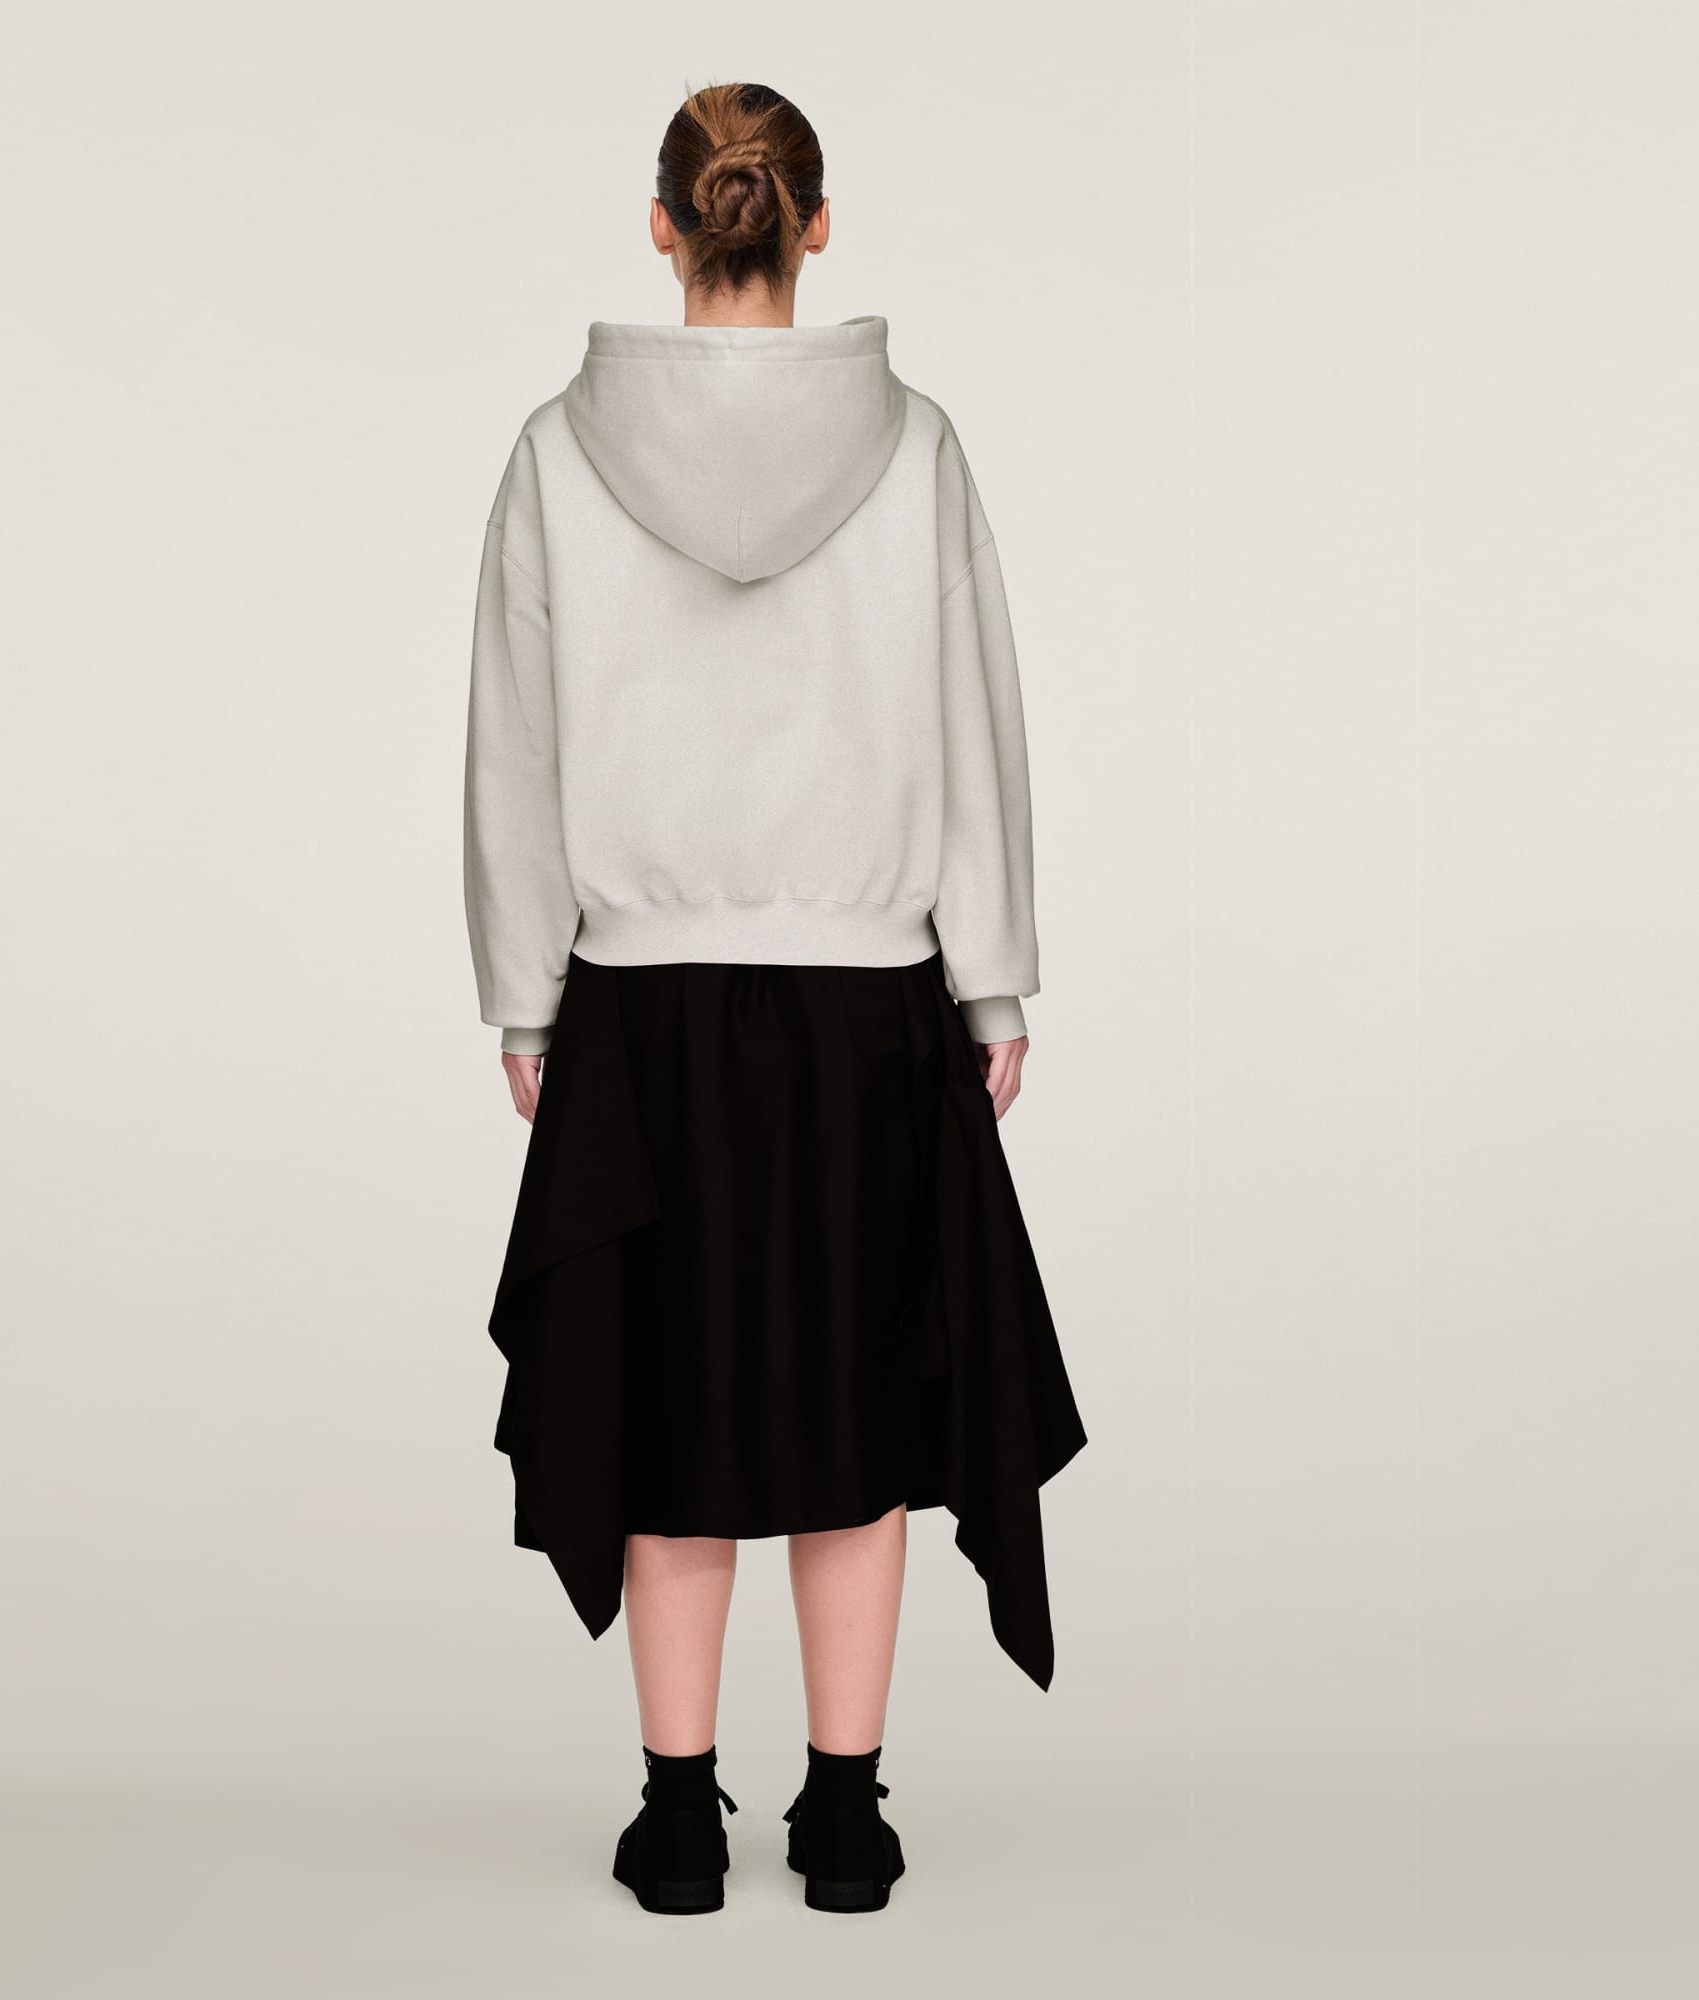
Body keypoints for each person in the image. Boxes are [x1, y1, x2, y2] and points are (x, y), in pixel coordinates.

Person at [461, 80, 1086, 1916]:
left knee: (666, 1407)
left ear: (665, 224)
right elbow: (975, 715)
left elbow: (513, 746)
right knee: (856, 1405)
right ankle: (845, 1814)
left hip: (640, 1009)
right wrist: (993, 980)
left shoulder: (557, 453)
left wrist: (523, 996)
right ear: (815, 224)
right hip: (866, 1005)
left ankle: (676, 1819)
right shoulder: (918, 447)